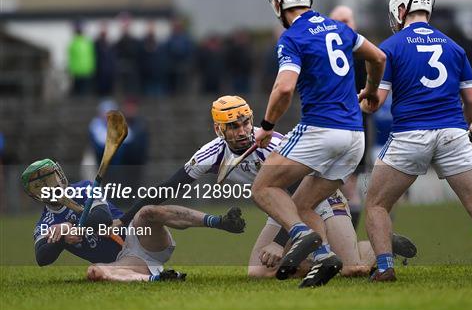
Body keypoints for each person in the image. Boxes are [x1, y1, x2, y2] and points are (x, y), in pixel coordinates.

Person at [115, 96, 417, 279]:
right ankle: (321, 256)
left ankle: (376, 247)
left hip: (318, 200)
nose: (243, 130)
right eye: (233, 126)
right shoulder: (212, 153)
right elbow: (168, 188)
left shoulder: (271, 144)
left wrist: (280, 241)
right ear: (218, 130)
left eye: (245, 122)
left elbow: (302, 197)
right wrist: (123, 220)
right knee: (258, 273)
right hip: (284, 211)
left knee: (354, 270)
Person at [362, 0, 472, 281]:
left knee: (376, 204)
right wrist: (466, 122)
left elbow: (377, 103)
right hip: (453, 133)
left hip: (410, 134)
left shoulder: (391, 47)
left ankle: (385, 267)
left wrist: (365, 95)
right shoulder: (455, 47)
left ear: (401, 10)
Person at [251, 0, 386, 287]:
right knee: (301, 205)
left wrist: (268, 127)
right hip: (354, 137)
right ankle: (325, 256)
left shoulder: (292, 38)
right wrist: (371, 89)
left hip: (321, 131)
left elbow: (284, 89)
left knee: (262, 188)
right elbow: (378, 57)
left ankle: (300, 236)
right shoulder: (339, 28)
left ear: (277, 4)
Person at [21, 159, 245, 282]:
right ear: (34, 194)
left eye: (52, 178)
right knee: (95, 272)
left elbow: (102, 218)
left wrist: (73, 226)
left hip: (139, 238)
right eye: (41, 185)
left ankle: (219, 221)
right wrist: (61, 238)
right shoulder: (46, 222)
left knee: (147, 211)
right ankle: (159, 279)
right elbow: (42, 257)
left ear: (61, 175)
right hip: (124, 261)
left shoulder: (85, 189)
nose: (51, 186)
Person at [328, 5, 367, 229]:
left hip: (356, 126)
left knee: (350, 185)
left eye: (347, 21)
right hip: (328, 125)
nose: (344, 25)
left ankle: (349, 239)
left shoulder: (363, 53)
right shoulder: (325, 51)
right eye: (339, 21)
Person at [67, 21, 95, 96]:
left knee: (83, 93)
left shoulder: (76, 43)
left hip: (84, 72)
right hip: (80, 72)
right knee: (81, 93)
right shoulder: (84, 43)